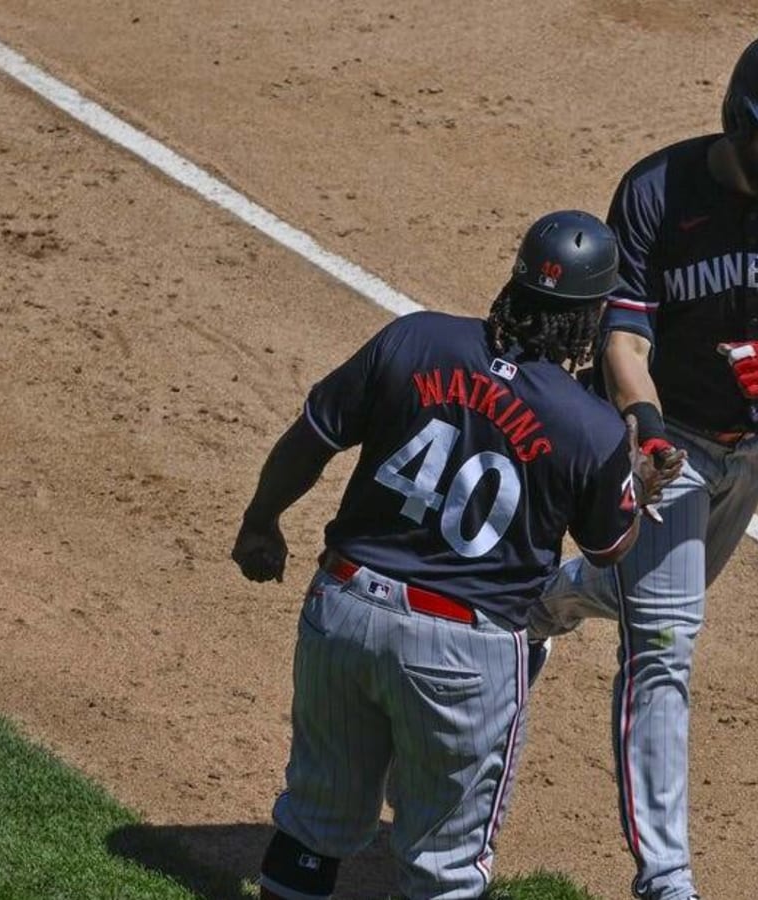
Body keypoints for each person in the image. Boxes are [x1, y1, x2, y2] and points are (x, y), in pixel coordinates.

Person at [530, 32, 758, 900]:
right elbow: (623, 333)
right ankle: (667, 877)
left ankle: (541, 605)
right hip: (667, 443)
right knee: (664, 646)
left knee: (650, 595)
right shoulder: (658, 192)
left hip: (757, 445)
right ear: (736, 118)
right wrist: (645, 425)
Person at [230, 209, 682, 900]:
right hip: (461, 655)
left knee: (314, 821)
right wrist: (639, 483)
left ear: (517, 281)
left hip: (344, 609)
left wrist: (261, 522)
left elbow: (312, 436)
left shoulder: (414, 338)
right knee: (445, 868)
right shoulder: (587, 425)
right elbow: (607, 546)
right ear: (589, 318)